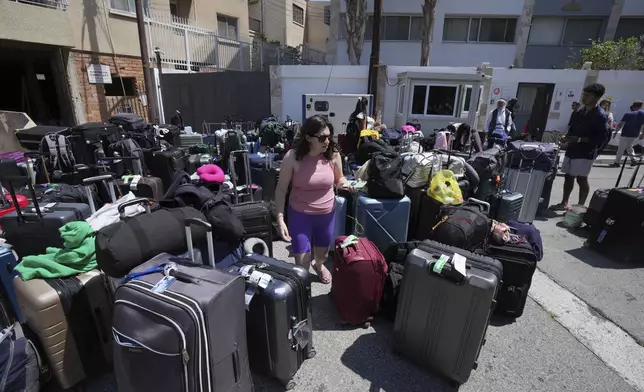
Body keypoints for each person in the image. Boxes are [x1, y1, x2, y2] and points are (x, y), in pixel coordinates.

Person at [274, 115, 354, 284]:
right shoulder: (293, 157)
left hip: (326, 215)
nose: (327, 141)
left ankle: (318, 265)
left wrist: (344, 184)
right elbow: (281, 190)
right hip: (300, 215)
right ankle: (303, 297)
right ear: (309, 138)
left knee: (322, 255)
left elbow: (339, 179)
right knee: (301, 267)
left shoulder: (333, 154)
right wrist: (280, 219)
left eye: (329, 136)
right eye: (323, 138)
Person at [552, 83, 609, 210]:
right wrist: (565, 138)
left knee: (581, 178)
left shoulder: (600, 116)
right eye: (584, 94)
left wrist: (580, 139)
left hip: (586, 152)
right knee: (568, 176)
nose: (584, 97)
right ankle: (564, 202)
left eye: (588, 95)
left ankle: (580, 206)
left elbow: (601, 138)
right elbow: (571, 129)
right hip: (572, 150)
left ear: (596, 97)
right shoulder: (578, 112)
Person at [611, 100, 644, 167]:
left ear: (634, 106)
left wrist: (616, 132)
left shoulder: (628, 114)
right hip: (635, 134)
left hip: (625, 134)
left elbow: (620, 124)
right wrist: (643, 134)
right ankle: (633, 160)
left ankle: (617, 162)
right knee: (629, 147)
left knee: (621, 149)